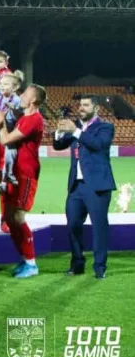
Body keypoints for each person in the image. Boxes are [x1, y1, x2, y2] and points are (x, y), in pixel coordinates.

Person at [53, 95, 116, 279]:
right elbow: (58, 145)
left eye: (86, 105)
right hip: (76, 186)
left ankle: (99, 267)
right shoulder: (76, 128)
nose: (81, 108)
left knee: (99, 228)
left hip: (97, 186)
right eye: (80, 105)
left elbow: (98, 145)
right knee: (73, 225)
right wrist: (58, 132)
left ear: (96, 108)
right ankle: (77, 265)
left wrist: (75, 131)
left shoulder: (105, 127)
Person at [0, 84, 46, 279]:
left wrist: (0, 125)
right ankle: (24, 258)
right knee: (9, 216)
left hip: (26, 173)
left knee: (18, 216)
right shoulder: (25, 117)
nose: (21, 96)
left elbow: (6, 140)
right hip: (15, 172)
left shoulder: (34, 119)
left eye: (25, 94)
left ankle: (31, 264)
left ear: (33, 100)